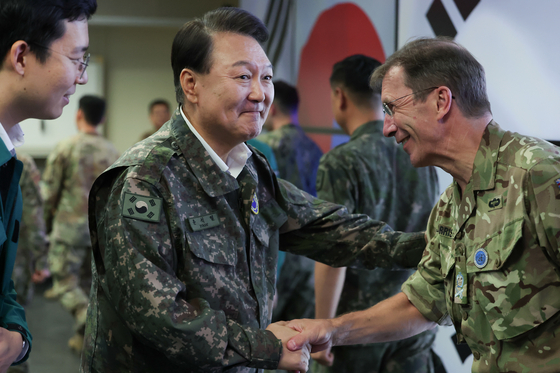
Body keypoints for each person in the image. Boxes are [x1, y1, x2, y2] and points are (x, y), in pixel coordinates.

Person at [81, 8, 428, 373]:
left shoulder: (248, 169)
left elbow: (325, 228)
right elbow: (160, 317)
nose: (261, 94)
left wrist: (430, 248)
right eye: (244, 76)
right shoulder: (144, 180)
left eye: (267, 77)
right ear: (190, 85)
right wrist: (268, 347)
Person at [284, 37, 560, 373]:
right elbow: (422, 304)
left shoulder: (539, 175)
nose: (386, 127)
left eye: (393, 108)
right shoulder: (450, 205)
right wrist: (330, 330)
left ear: (441, 101)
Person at [312, 54, 441, 373]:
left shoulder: (341, 162)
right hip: (414, 316)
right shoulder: (418, 153)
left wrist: (323, 329)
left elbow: (332, 254)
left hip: (357, 327)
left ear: (339, 96)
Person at [0, 0, 96, 369]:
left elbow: (3, 285)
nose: (82, 76)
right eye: (76, 59)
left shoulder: (10, 158)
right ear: (22, 56)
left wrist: (18, 338)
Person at [41, 95, 119, 354]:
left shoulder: (65, 148)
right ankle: (83, 339)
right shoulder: (113, 152)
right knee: (90, 288)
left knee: (64, 283)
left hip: (69, 230)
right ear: (103, 118)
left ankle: (84, 320)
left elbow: (49, 193)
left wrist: (46, 225)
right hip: (100, 233)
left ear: (78, 115)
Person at [257, 81, 322, 326]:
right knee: (299, 335)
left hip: (279, 252)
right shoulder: (314, 148)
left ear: (272, 108)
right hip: (309, 257)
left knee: (269, 333)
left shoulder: (264, 147)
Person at [11, 153, 49, 308]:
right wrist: (41, 260)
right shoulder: (20, 161)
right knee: (13, 309)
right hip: (12, 252)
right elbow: (33, 215)